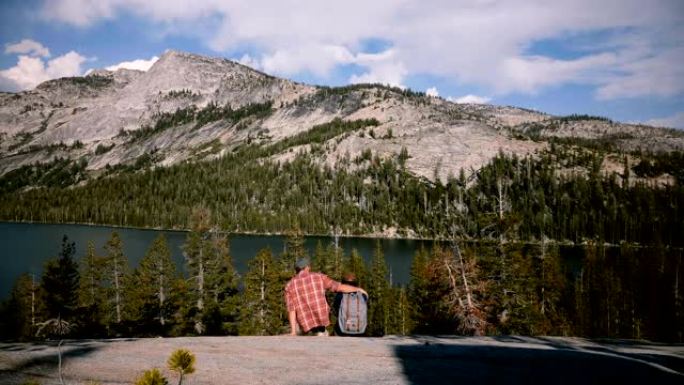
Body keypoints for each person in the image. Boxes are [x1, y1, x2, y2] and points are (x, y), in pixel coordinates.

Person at [285, 257, 367, 336]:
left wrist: (293, 331)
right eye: (309, 266)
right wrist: (357, 289)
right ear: (307, 267)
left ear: (297, 270)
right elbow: (339, 287)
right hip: (322, 319)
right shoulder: (319, 277)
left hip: (305, 324)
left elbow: (291, 309)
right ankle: (321, 332)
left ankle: (314, 332)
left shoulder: (289, 285)